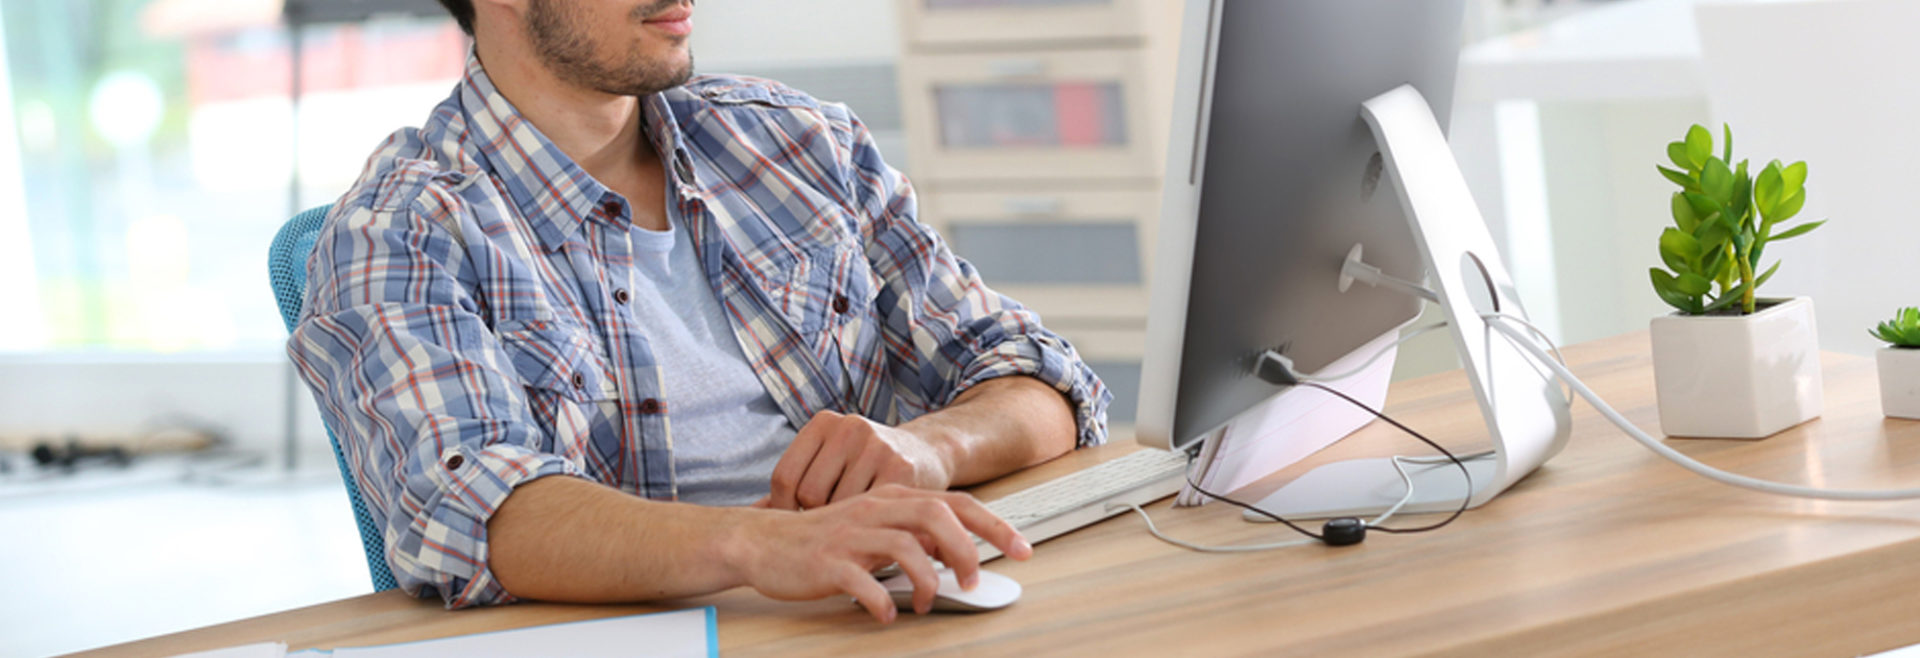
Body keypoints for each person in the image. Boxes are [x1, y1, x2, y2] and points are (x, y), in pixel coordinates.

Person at [286, 0, 1110, 623]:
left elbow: (1042, 378)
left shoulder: (796, 143)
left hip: (883, 610)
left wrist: (930, 446)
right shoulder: (397, 230)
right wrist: (758, 545)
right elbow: (481, 509)